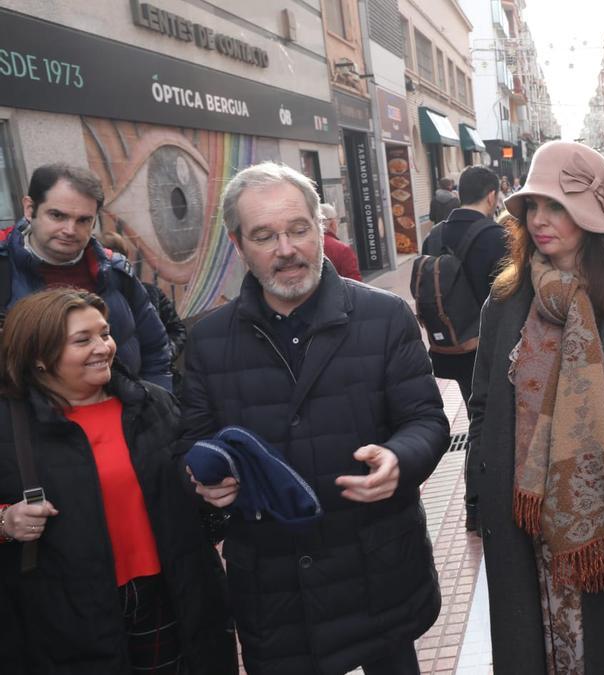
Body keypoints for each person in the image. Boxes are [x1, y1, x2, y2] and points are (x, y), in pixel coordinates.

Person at [183, 161, 450, 675]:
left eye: (299, 229)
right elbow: (190, 441)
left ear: (321, 231)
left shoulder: (385, 316)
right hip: (274, 587)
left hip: (378, 568)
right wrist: (202, 479)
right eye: (264, 236)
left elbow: (426, 420)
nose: (286, 249)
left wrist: (400, 457)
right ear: (239, 245)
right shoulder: (208, 340)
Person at [468, 140, 604, 673]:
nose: (541, 220)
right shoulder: (506, 298)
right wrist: (484, 492)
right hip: (526, 524)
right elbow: (482, 405)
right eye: (533, 208)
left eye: (557, 206)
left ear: (590, 212)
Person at [0, 287, 236, 674]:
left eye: (105, 334)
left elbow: (195, 498)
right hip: (68, 618)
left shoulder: (153, 404)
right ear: (40, 357)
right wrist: (5, 523)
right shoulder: (10, 426)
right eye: (83, 340)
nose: (103, 347)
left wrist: (215, 491)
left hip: (173, 596)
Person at [1, 164, 173, 391]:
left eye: (83, 220)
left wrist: (153, 409)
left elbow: (156, 349)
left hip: (127, 418)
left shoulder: (116, 272)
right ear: (29, 208)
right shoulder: (5, 271)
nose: (70, 230)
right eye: (57, 215)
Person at [420, 165, 508, 403]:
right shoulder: (498, 238)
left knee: (472, 405)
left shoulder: (434, 236)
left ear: (460, 194)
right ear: (491, 196)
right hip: (492, 348)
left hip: (452, 346)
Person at [97, 231, 188, 390]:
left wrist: (164, 355)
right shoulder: (93, 302)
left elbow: (177, 329)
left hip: (156, 386)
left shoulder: (151, 293)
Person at [317, 203, 363, 281]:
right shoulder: (342, 250)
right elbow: (354, 283)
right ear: (332, 223)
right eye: (337, 220)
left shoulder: (306, 245)